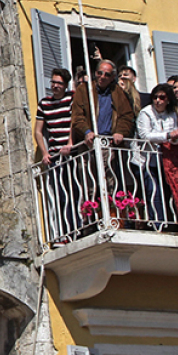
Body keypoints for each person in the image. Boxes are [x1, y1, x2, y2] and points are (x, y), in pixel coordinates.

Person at [35, 68, 77, 241]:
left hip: (72, 153)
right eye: (53, 82)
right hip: (54, 156)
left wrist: (70, 143)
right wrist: (44, 153)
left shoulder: (72, 99)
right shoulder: (44, 103)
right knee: (60, 195)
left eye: (59, 83)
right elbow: (38, 131)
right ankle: (63, 233)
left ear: (65, 85)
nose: (55, 86)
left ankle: (76, 230)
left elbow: (76, 121)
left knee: (74, 192)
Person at [134, 83, 178, 225]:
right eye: (155, 97)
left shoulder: (172, 114)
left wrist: (175, 139)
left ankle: (172, 223)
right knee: (154, 192)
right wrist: (167, 136)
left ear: (168, 100)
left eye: (162, 97)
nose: (158, 100)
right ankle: (157, 224)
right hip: (147, 159)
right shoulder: (145, 112)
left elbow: (176, 134)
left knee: (169, 192)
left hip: (166, 160)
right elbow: (145, 135)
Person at [71, 60, 136, 147]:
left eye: (107, 74)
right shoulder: (84, 90)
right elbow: (77, 115)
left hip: (111, 145)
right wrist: (86, 131)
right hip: (89, 144)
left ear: (113, 77)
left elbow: (127, 115)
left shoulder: (118, 92)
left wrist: (120, 132)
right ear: (95, 73)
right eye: (99, 73)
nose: (102, 76)